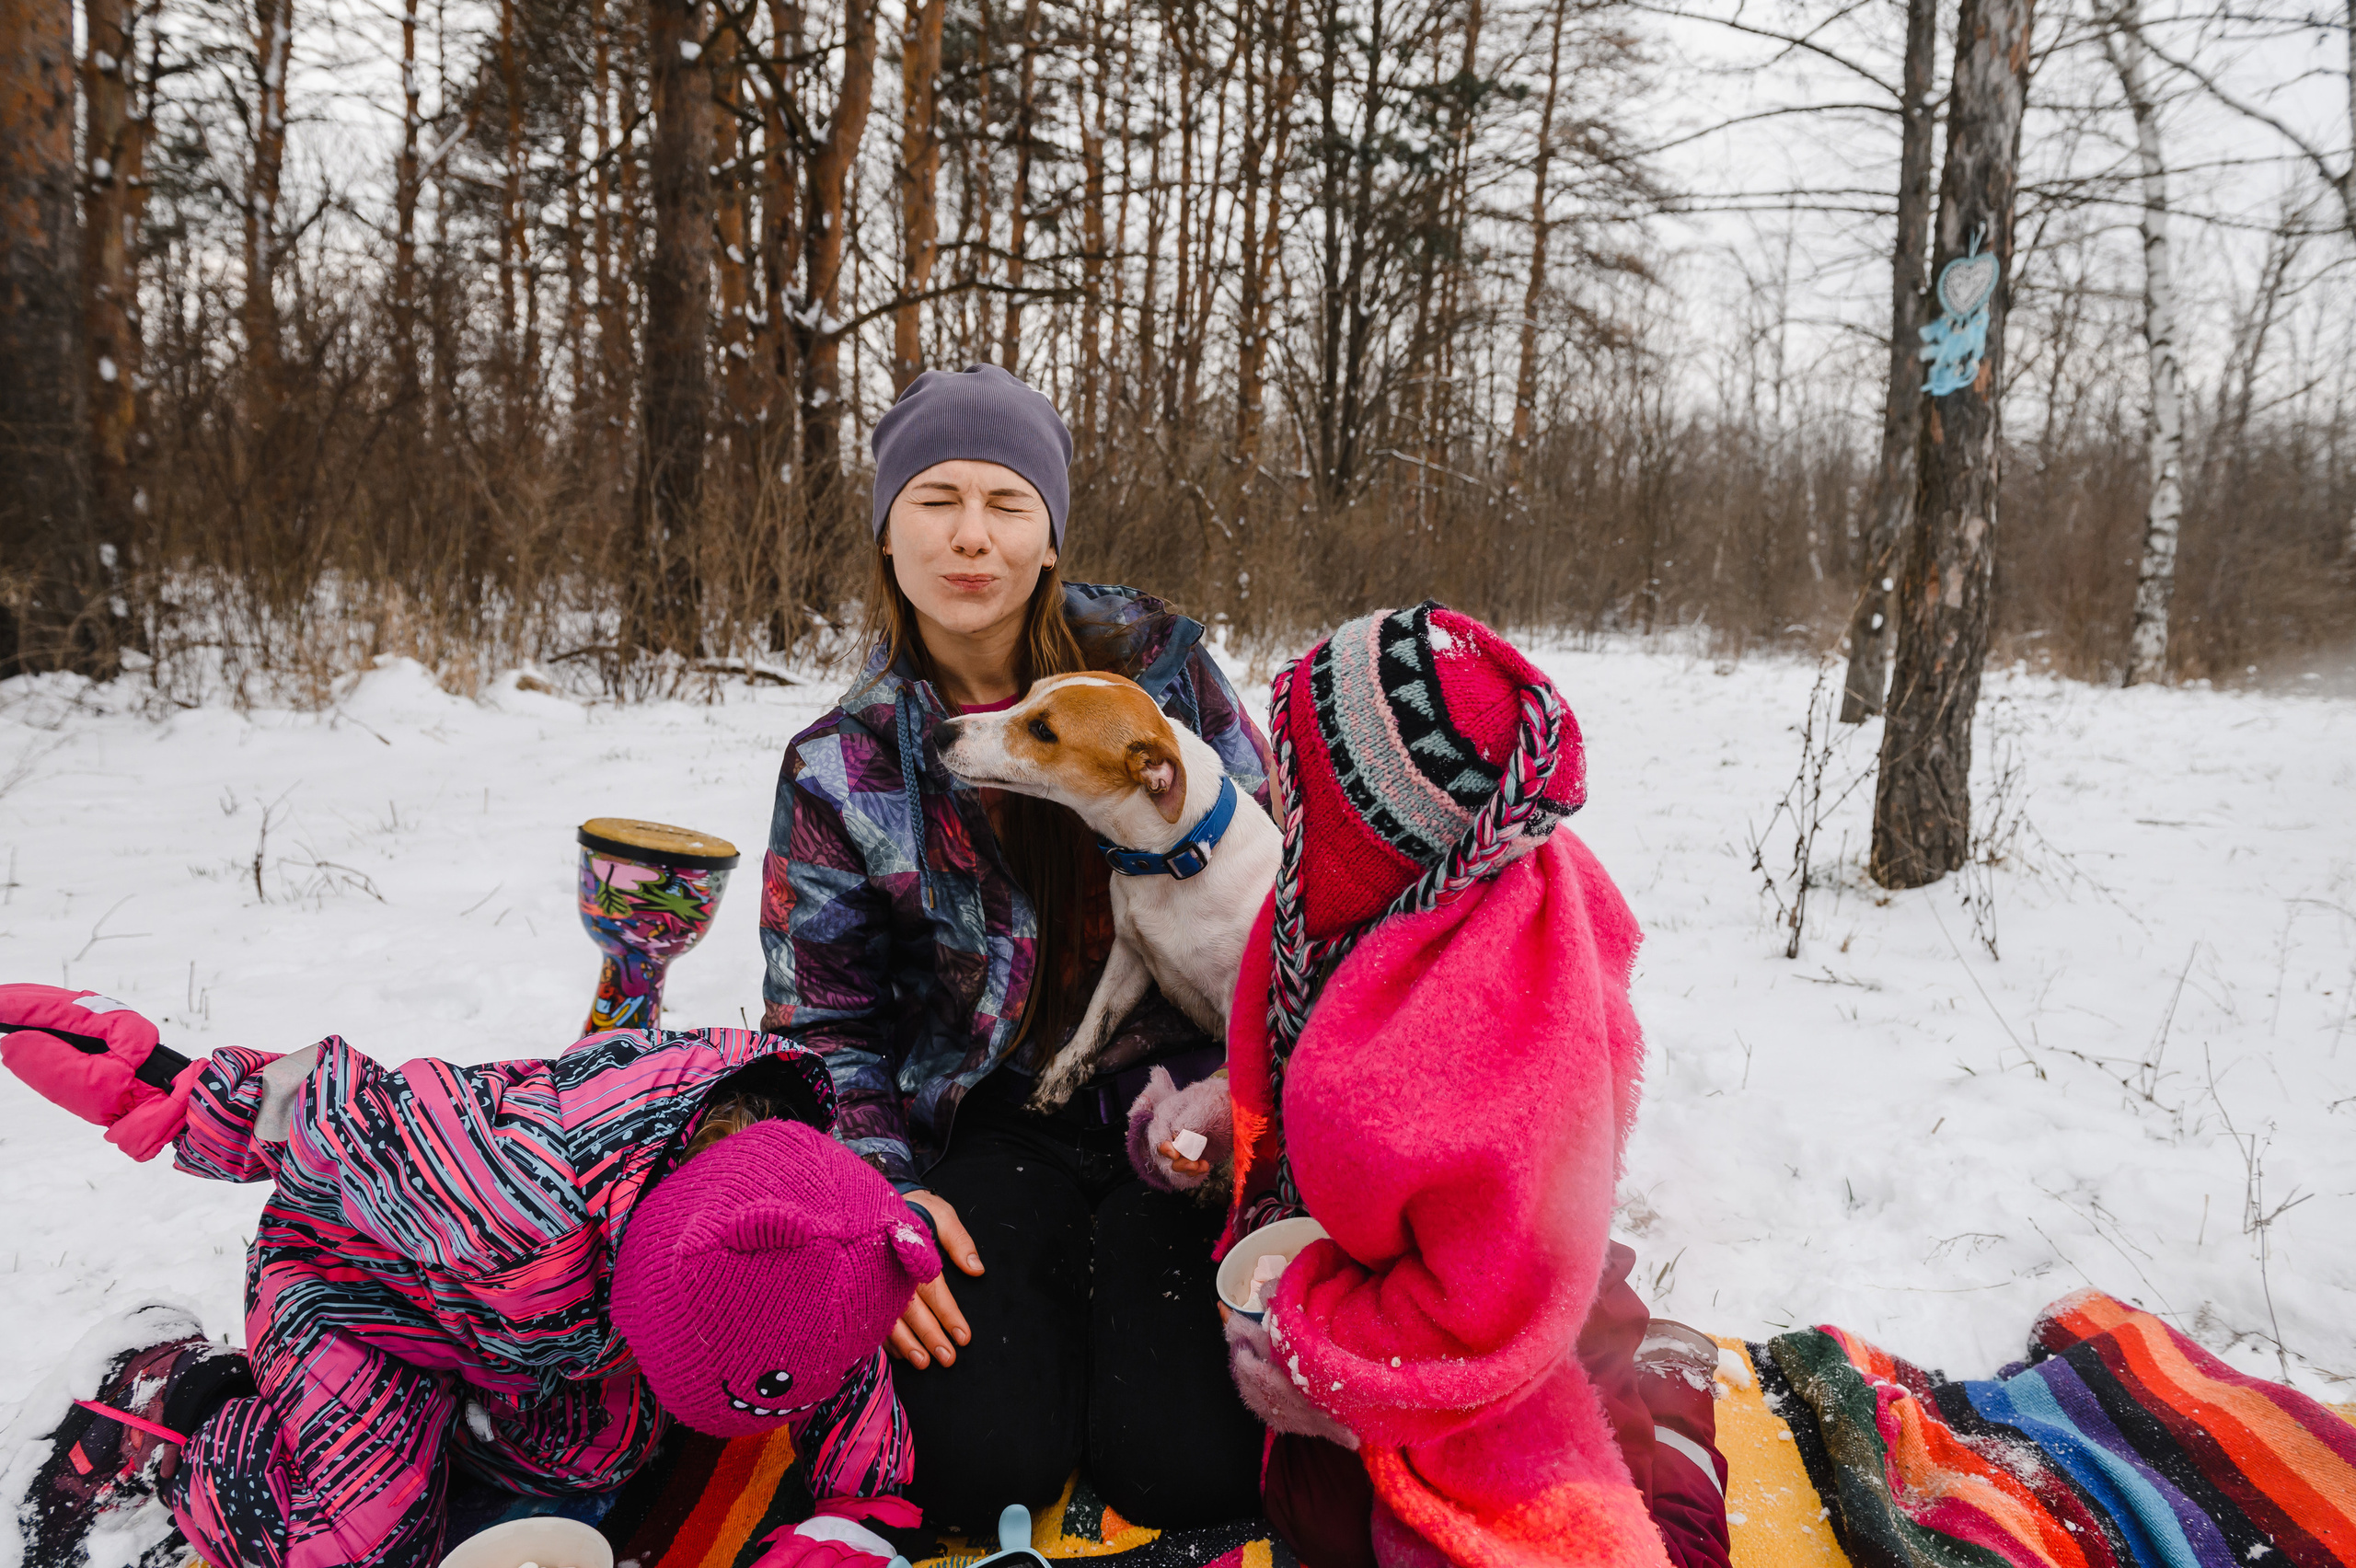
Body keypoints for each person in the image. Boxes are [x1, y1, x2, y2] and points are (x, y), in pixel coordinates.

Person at [758, 363, 1271, 1534]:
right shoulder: (841, 765)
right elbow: (821, 1021)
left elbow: (1276, 884)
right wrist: (882, 1197)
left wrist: (1262, 1118)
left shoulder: (1158, 674)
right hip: (989, 1124)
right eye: (935, 500)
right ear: (886, 531)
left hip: (1184, 1108)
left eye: (1007, 502)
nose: (971, 536)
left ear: (1048, 539)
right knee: (970, 1465)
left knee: (1192, 1466)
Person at [1128, 604, 1732, 1568]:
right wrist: (1216, 1116)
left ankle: (1674, 1405)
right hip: (1420, 1262)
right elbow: (1295, 1064)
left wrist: (1317, 1362)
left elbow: (1473, 1314)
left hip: (1505, 1305)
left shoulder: (1495, 1027)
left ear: (1371, 825)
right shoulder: (1374, 904)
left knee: (1381, 1526)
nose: (1274, 791)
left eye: (1298, 773)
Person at [0, 983, 939, 1568]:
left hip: (537, 1334)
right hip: (359, 1303)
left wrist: (856, 1513)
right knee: (353, 1546)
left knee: (588, 1463)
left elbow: (832, 1353)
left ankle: (464, 1429)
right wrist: (154, 1086)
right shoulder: (502, 1185)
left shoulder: (813, 1221)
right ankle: (176, 1400)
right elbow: (325, 1110)